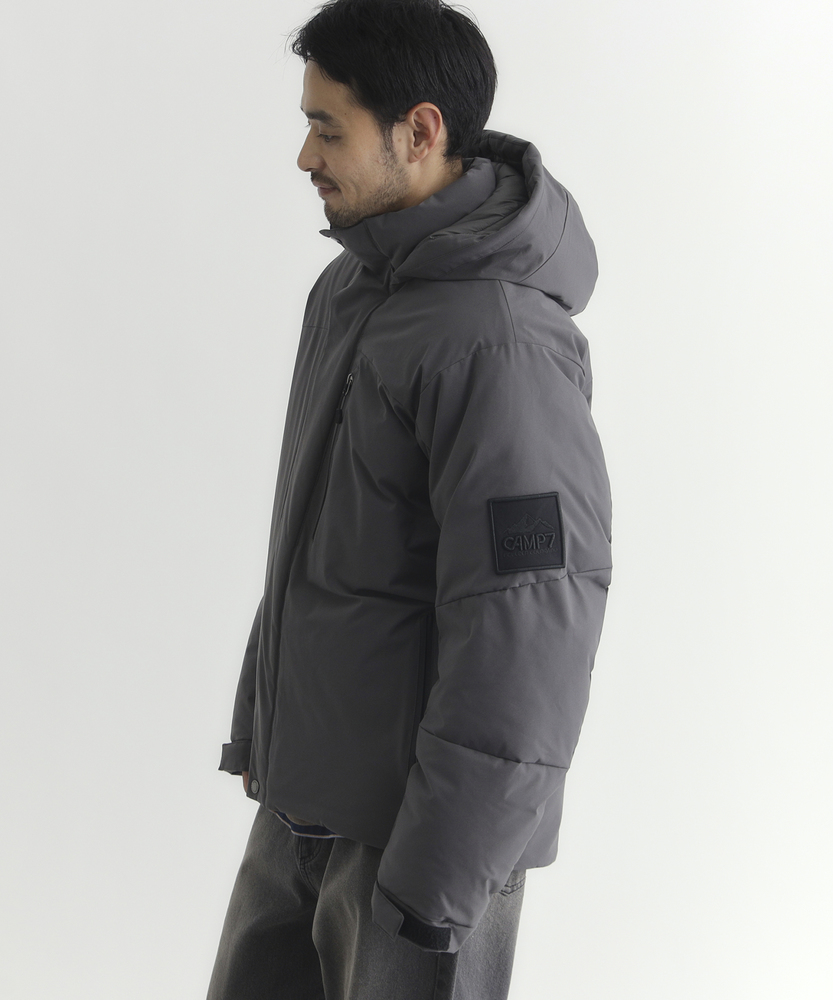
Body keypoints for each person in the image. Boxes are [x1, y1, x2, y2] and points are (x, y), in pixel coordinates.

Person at [206, 1, 612, 997]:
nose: (305, 155)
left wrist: (443, 871)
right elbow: (311, 533)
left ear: (419, 131)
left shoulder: (498, 340)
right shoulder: (349, 292)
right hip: (301, 806)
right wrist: (263, 723)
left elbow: (530, 618)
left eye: (327, 127)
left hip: (416, 846)